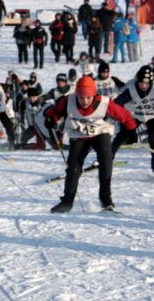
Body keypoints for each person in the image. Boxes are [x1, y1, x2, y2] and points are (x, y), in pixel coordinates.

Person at [45, 76, 136, 213]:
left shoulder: (105, 103)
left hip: (100, 133)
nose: (84, 101)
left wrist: (131, 129)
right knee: (73, 167)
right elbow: (55, 112)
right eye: (81, 97)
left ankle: (106, 199)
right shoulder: (68, 101)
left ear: (94, 94)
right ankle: (67, 202)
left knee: (106, 160)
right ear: (77, 94)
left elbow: (123, 115)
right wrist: (51, 118)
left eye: (88, 97)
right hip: (78, 135)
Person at [112, 65, 154, 173]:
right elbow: (118, 102)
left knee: (153, 140)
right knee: (122, 134)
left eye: (147, 83)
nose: (144, 86)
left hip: (152, 117)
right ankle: (107, 158)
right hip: (137, 115)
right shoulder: (132, 88)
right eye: (141, 83)